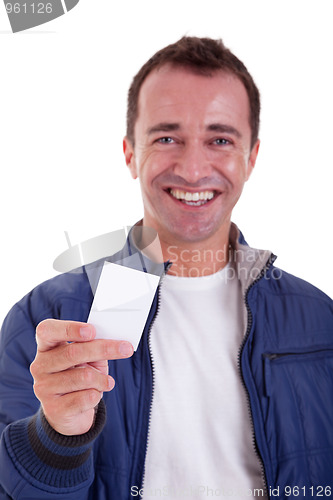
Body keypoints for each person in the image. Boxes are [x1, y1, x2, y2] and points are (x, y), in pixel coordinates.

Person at [0, 36, 332, 500]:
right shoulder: (46, 320)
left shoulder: (321, 319)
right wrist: (59, 435)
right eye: (167, 137)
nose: (194, 170)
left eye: (220, 139)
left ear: (251, 157)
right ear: (130, 153)